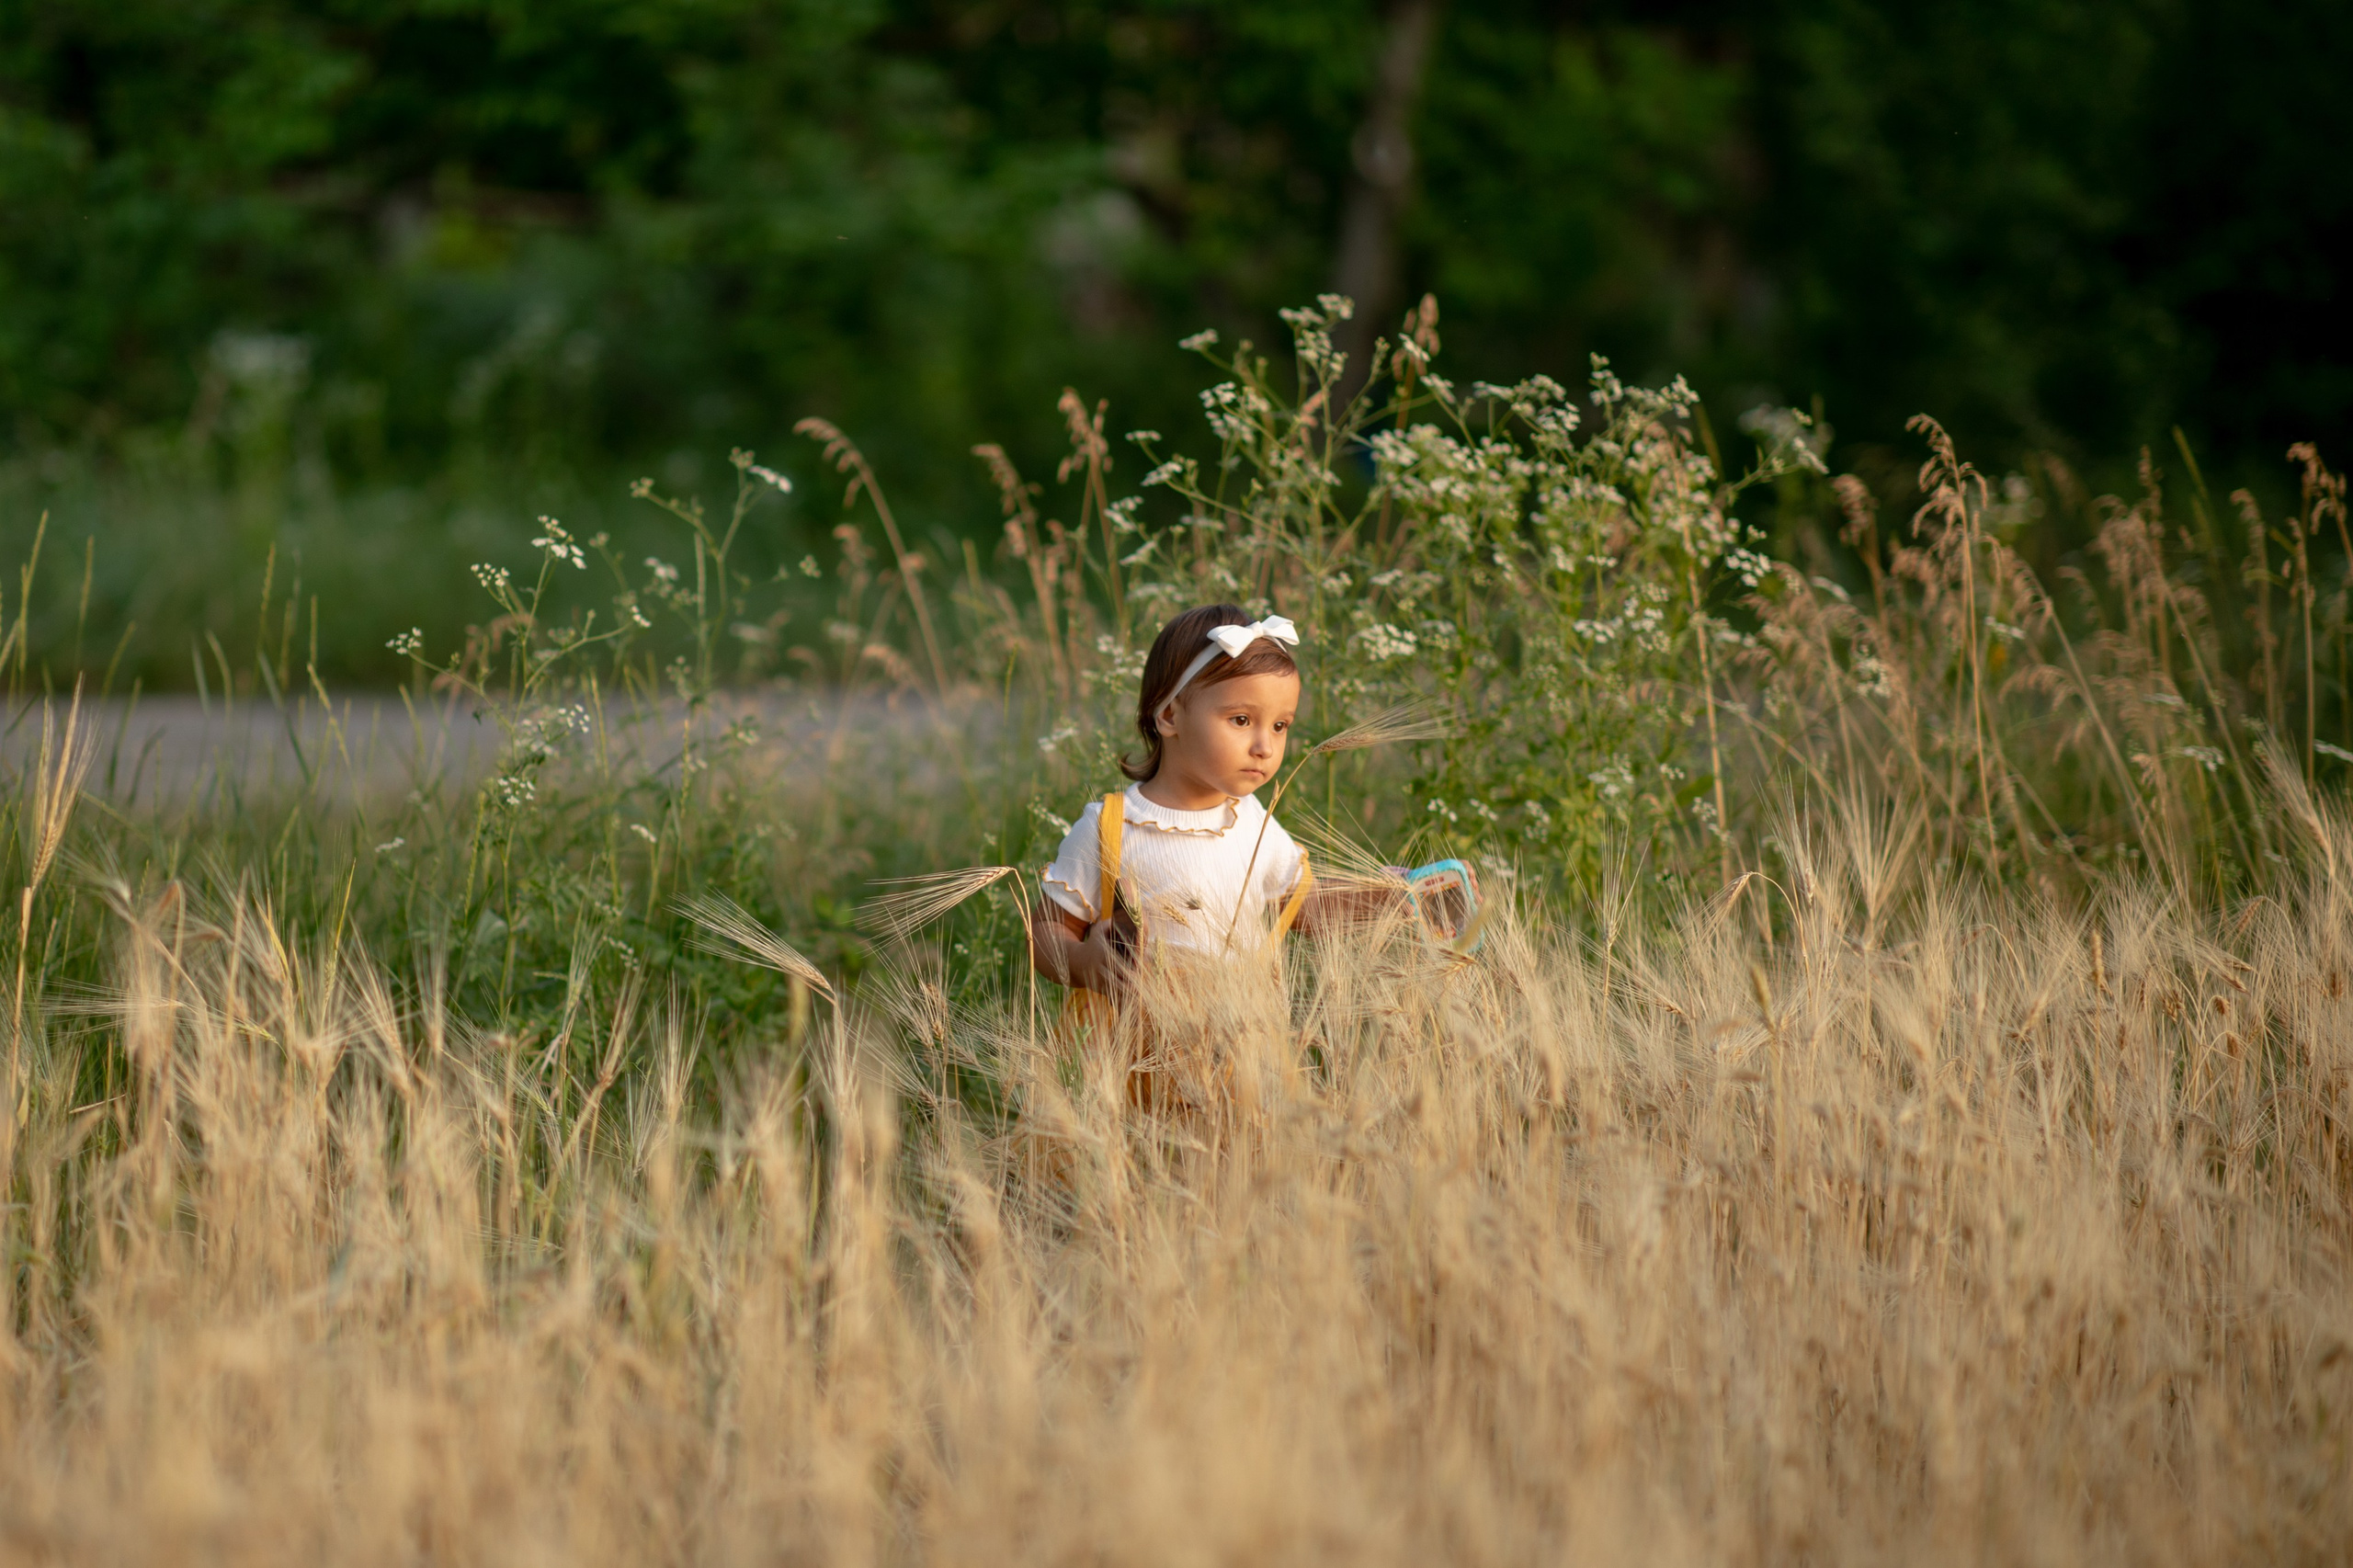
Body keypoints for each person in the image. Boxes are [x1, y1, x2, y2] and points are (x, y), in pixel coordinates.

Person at [1029, 603, 1366, 997]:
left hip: (1244, 1030)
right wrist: (1084, 962)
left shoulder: (1252, 820)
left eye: (1280, 726)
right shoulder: (1110, 829)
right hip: (1141, 1032)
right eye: (1241, 720)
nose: (1265, 747)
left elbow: (1304, 905)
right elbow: (1046, 931)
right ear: (1170, 715)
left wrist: (1392, 897)